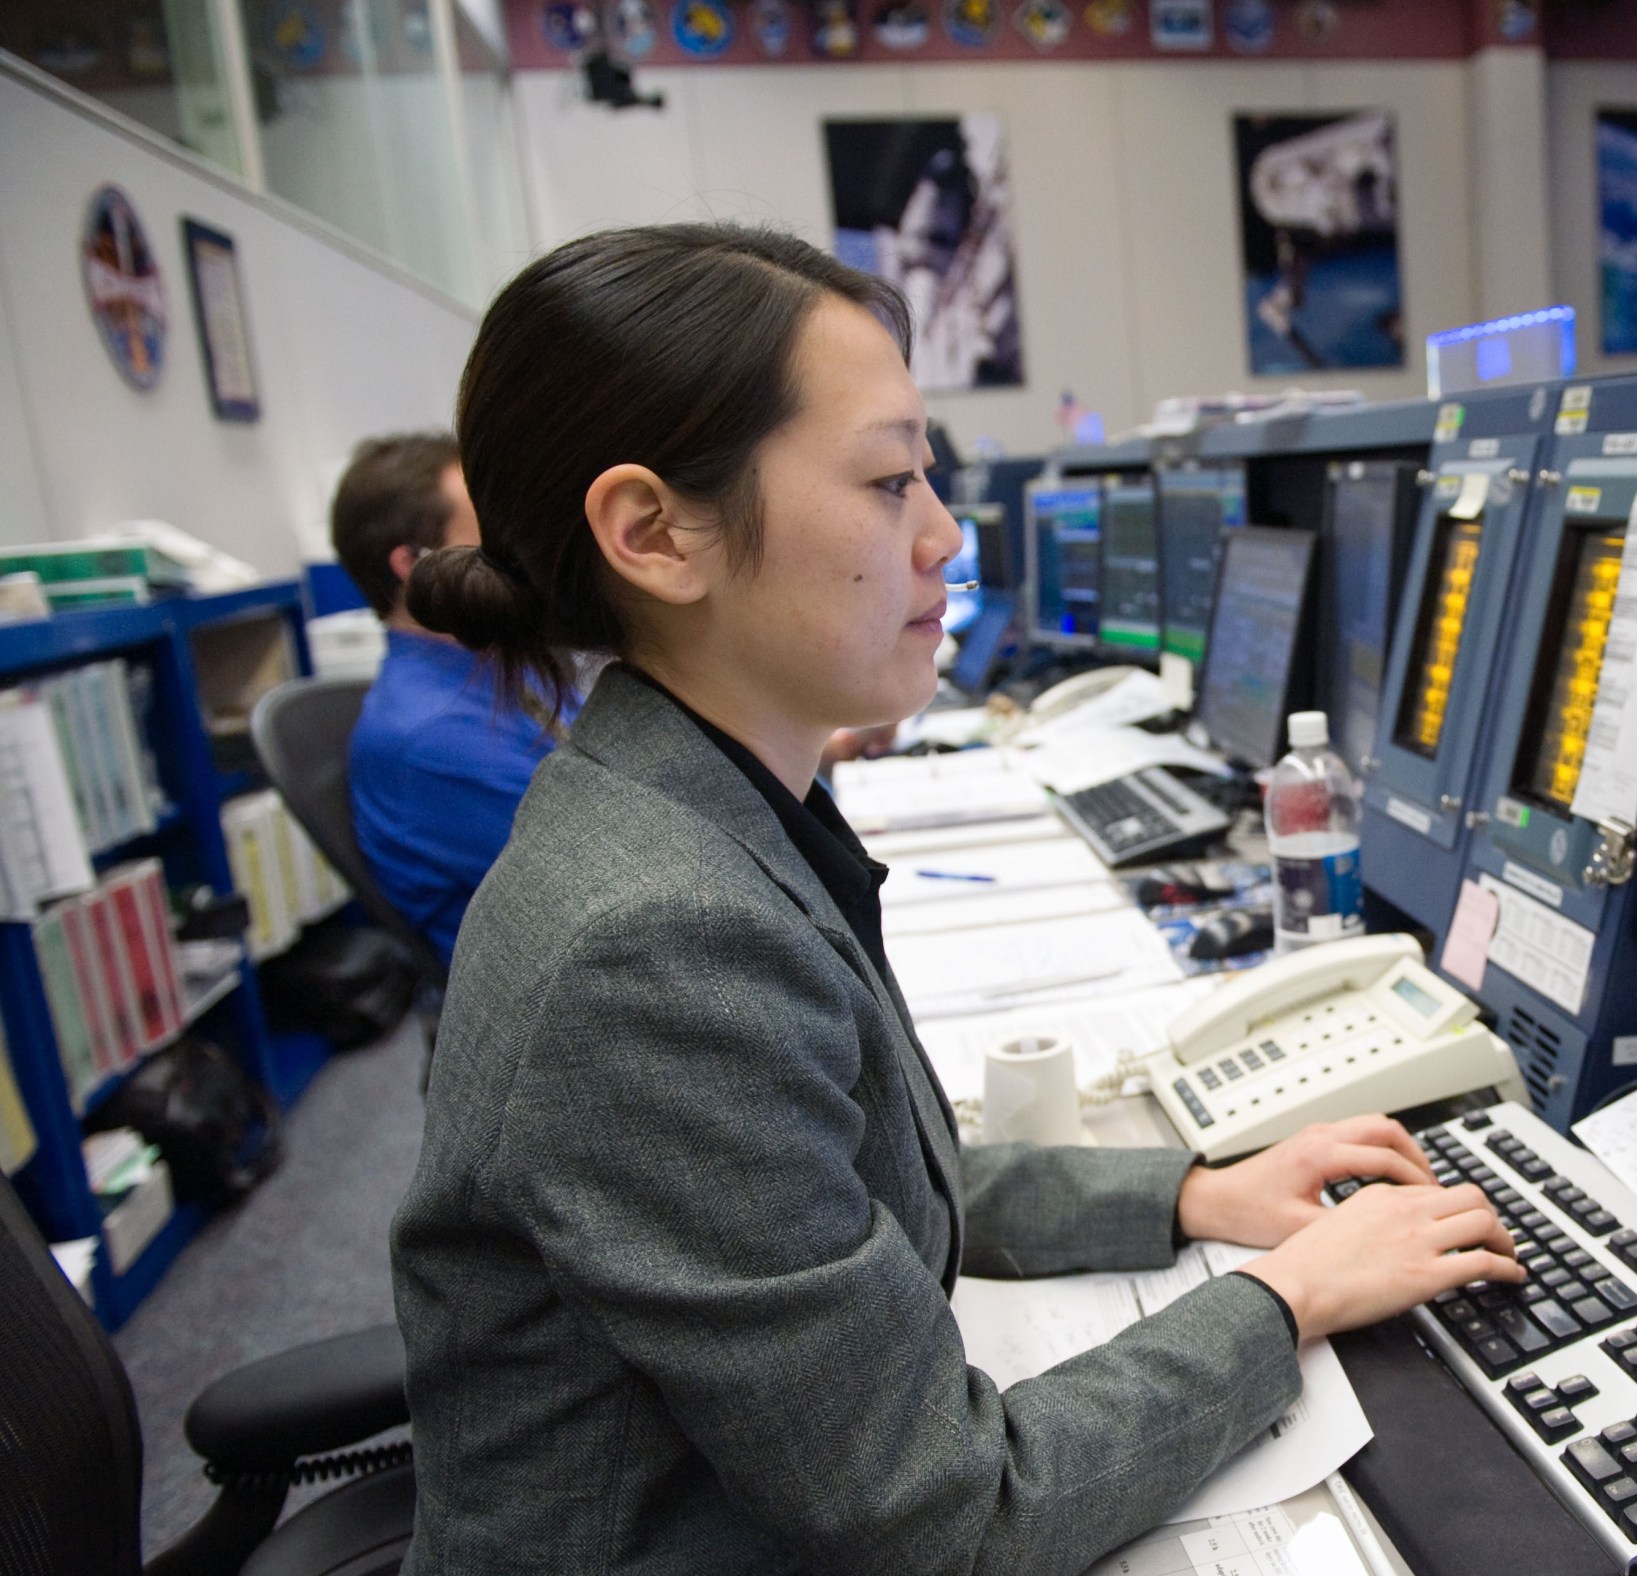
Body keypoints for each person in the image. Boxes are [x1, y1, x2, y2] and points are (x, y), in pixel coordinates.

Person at [389, 224, 1521, 1575]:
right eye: (887, 482)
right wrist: (1284, 1304)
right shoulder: (654, 939)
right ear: (654, 533)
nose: (945, 540)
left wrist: (1196, 1194)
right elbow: (949, 1517)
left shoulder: (707, 808)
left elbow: (864, 1176)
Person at [330, 432, 567, 967]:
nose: (521, 545)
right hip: (555, 991)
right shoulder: (430, 736)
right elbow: (603, 860)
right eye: (491, 530)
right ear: (415, 565)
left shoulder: (497, 661)